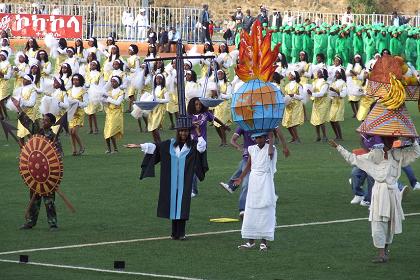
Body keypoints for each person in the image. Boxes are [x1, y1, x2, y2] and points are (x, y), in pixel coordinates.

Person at [329, 137, 420, 263]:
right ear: (383, 141)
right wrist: (338, 147)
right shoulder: (375, 154)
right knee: (377, 222)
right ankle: (381, 253)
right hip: (379, 192)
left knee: (390, 223)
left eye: (392, 139)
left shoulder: (398, 154)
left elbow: (415, 153)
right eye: (388, 140)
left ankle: (385, 251)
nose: (390, 142)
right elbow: (353, 159)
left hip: (393, 192)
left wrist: (413, 141)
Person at [126, 124, 208, 240]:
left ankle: (181, 233)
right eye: (181, 131)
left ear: (189, 132)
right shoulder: (170, 144)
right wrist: (138, 145)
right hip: (172, 181)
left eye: (185, 131)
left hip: (185, 181)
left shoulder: (193, 145)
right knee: (173, 205)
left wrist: (198, 133)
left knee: (182, 206)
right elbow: (155, 147)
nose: (183, 134)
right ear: (178, 132)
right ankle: (174, 233)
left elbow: (202, 147)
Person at [14, 102, 61, 231]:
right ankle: (30, 222)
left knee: (49, 201)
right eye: (43, 120)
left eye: (46, 120)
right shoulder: (37, 131)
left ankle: (53, 223)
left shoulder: (53, 138)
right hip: (35, 174)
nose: (43, 122)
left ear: (51, 123)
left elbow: (58, 156)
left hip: (48, 175)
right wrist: (18, 107)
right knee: (34, 200)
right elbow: (26, 121)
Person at [234, 131, 277, 251]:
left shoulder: (271, 147)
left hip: (266, 180)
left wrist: (271, 138)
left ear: (265, 138)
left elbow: (270, 154)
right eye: (257, 138)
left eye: (261, 138)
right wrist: (241, 177)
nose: (259, 140)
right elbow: (248, 165)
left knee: (265, 209)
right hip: (254, 181)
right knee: (251, 210)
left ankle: (264, 242)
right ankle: (250, 241)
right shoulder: (251, 149)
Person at [307, 68, 330, 142]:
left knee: (321, 120)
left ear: (323, 74)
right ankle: (318, 136)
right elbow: (313, 89)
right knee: (315, 120)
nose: (318, 73)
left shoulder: (325, 83)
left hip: (323, 103)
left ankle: (324, 136)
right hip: (316, 102)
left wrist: (312, 93)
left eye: (320, 72)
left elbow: (322, 93)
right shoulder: (315, 82)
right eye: (318, 72)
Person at [103, 76, 124, 154]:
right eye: (111, 81)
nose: (112, 83)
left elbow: (117, 103)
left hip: (116, 113)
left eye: (114, 81)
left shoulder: (121, 92)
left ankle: (115, 149)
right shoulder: (109, 92)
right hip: (109, 113)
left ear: (118, 83)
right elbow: (106, 103)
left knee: (111, 131)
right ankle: (109, 149)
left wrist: (107, 98)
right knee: (106, 131)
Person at [282, 71, 304, 143]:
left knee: (293, 123)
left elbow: (302, 97)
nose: (288, 76)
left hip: (296, 106)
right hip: (289, 106)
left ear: (293, 76)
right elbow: (286, 96)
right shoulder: (287, 86)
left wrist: (293, 95)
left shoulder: (298, 85)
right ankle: (294, 138)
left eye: (290, 75)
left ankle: (297, 139)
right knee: (287, 124)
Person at [68, 74, 88, 156]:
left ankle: (82, 147)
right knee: (71, 132)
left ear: (80, 81)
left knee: (74, 132)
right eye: (74, 80)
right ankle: (74, 150)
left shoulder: (83, 91)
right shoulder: (69, 91)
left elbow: (86, 103)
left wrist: (77, 103)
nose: (75, 81)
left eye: (77, 80)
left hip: (79, 113)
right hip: (72, 113)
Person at [328, 69, 347, 140]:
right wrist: (332, 94)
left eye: (338, 73)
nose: (336, 75)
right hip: (334, 102)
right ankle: (337, 135)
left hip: (340, 103)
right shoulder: (334, 83)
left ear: (341, 74)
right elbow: (330, 93)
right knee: (331, 120)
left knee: (336, 120)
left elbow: (343, 94)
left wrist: (335, 91)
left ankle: (340, 136)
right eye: (336, 73)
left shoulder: (343, 83)